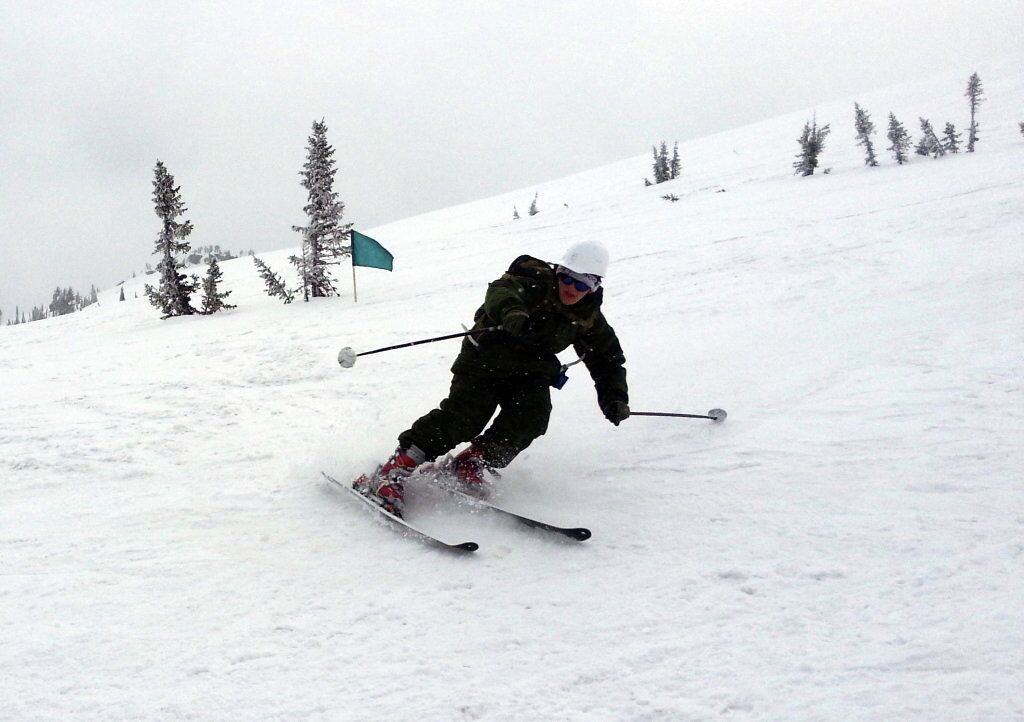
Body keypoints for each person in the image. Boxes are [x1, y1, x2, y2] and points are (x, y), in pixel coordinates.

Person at [355, 240, 629, 517]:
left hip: (529, 371)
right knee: (465, 417)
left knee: (531, 418)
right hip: (485, 358)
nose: (571, 288)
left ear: (594, 287)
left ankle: (470, 463)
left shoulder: (588, 318)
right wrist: (512, 311)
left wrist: (614, 397)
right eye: (567, 278)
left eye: (582, 284)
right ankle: (394, 470)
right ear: (558, 272)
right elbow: (501, 290)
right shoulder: (534, 281)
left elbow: (607, 359)